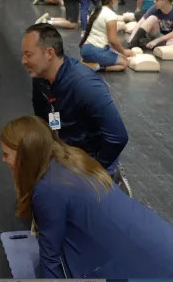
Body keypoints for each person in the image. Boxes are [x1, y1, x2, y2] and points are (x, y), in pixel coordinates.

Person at [0, 115, 173, 279]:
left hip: (156, 270)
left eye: (6, 154)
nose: (3, 160)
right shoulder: (70, 157)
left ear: (26, 157)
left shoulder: (48, 189)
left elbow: (50, 256)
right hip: (169, 248)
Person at [22, 23, 131, 195]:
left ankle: (112, 177)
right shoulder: (40, 79)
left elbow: (117, 137)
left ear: (49, 53)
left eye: (28, 55)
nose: (23, 60)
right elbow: (42, 119)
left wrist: (96, 171)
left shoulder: (84, 84)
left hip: (90, 158)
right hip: (66, 151)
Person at [80, 0, 133, 72]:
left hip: (85, 50)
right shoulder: (110, 15)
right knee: (124, 63)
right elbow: (113, 40)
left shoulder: (95, 11)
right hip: (96, 52)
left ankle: (90, 62)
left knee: (119, 56)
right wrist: (124, 52)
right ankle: (96, 67)